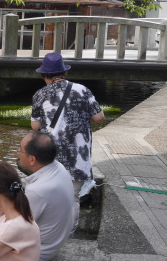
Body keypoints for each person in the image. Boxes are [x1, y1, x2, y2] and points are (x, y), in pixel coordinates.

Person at [31, 52, 105, 233]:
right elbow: (98, 117)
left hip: (51, 158)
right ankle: (68, 234)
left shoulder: (40, 94)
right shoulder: (83, 90)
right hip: (79, 158)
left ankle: (47, 233)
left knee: (50, 196)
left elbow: (35, 126)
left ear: (45, 75)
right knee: (73, 198)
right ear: (64, 73)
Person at [18, 131, 74, 261]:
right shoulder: (58, 168)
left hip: (39, 253)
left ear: (32, 159)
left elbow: (17, 230)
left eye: (20, 150)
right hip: (54, 244)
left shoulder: (37, 190)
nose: (18, 153)